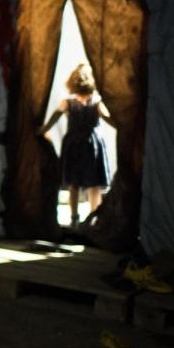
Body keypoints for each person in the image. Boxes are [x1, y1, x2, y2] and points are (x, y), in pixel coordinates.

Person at [40, 63, 115, 227]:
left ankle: (78, 217)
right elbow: (110, 119)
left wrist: (42, 130)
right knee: (92, 183)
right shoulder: (94, 102)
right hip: (90, 145)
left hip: (77, 145)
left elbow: (53, 119)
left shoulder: (70, 102)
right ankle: (91, 217)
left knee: (77, 182)